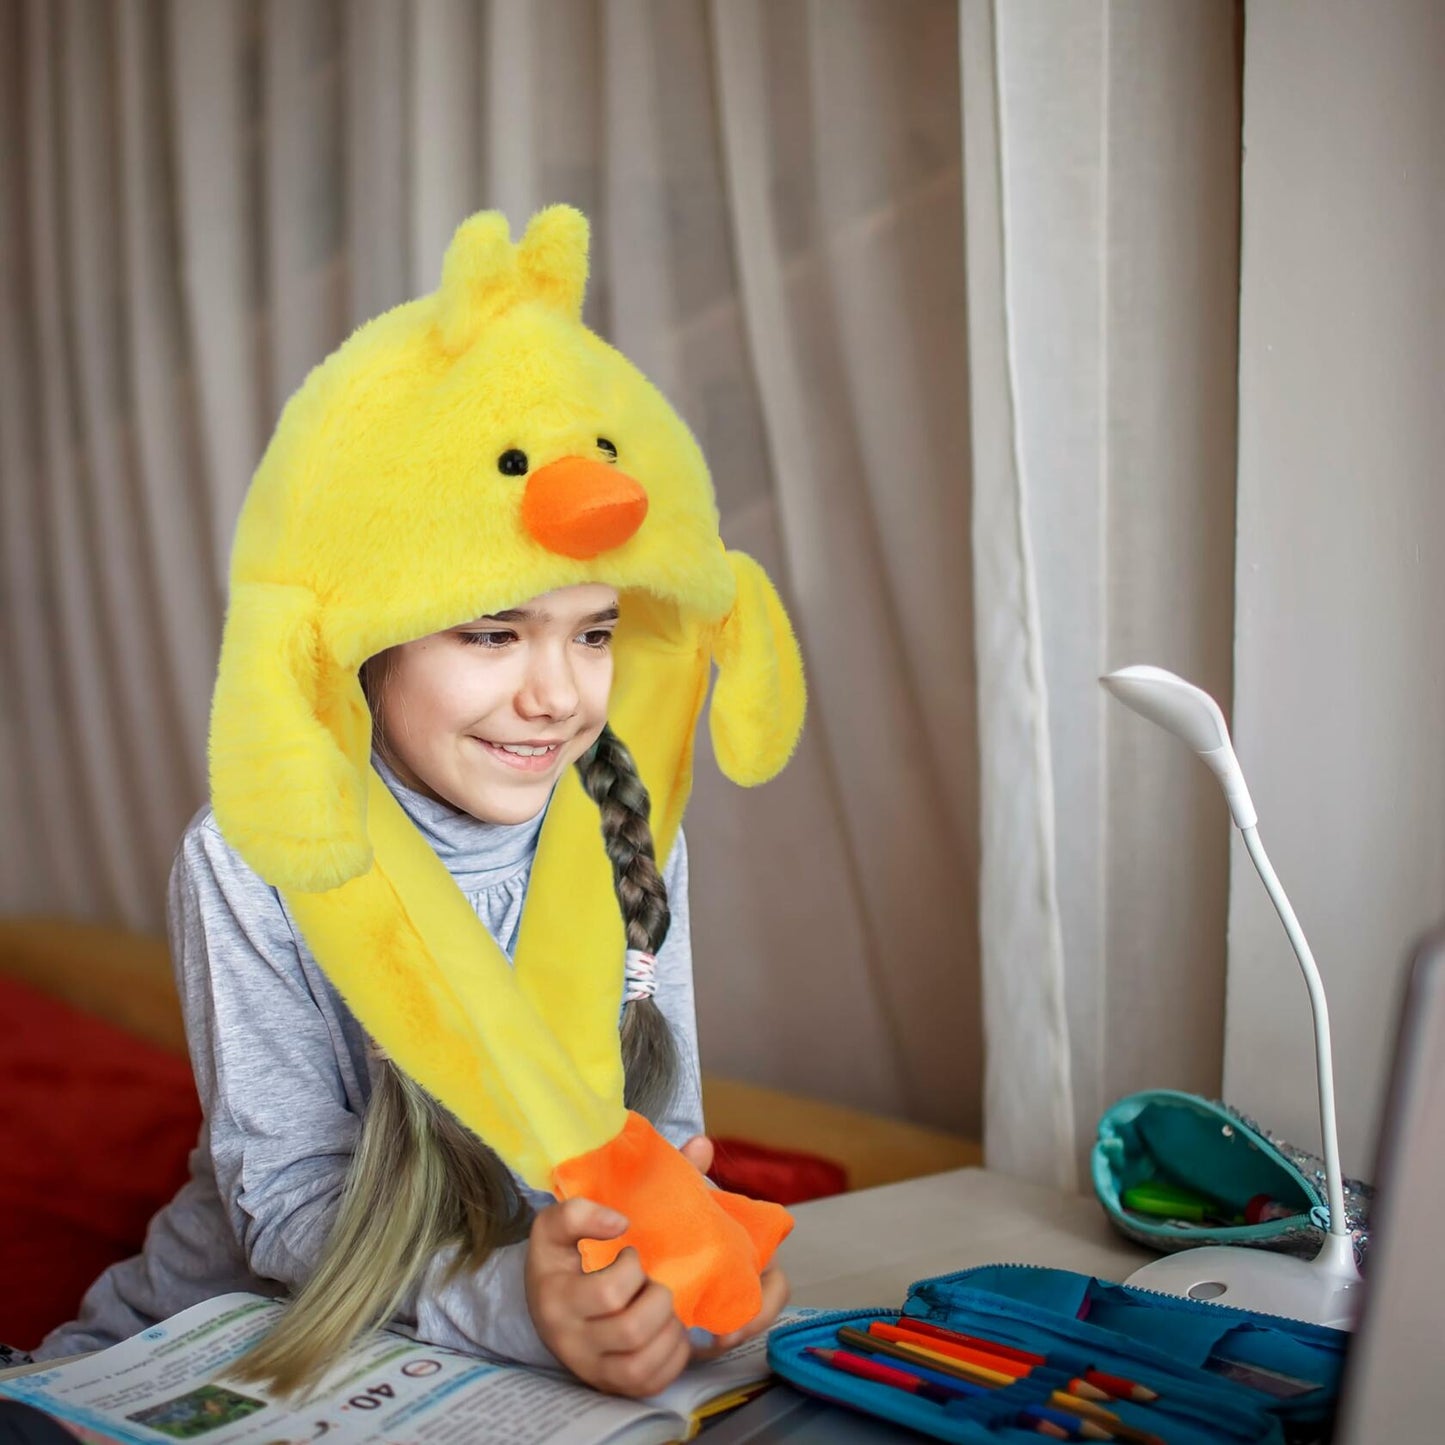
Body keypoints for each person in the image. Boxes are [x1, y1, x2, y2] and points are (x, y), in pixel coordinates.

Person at [28, 205, 807, 1399]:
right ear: (370, 640)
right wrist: (525, 1304)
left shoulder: (628, 830)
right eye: (492, 631)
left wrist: (671, 1271)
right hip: (211, 1352)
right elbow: (286, 1204)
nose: (553, 695)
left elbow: (655, 1131)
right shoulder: (255, 856)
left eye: (592, 631)